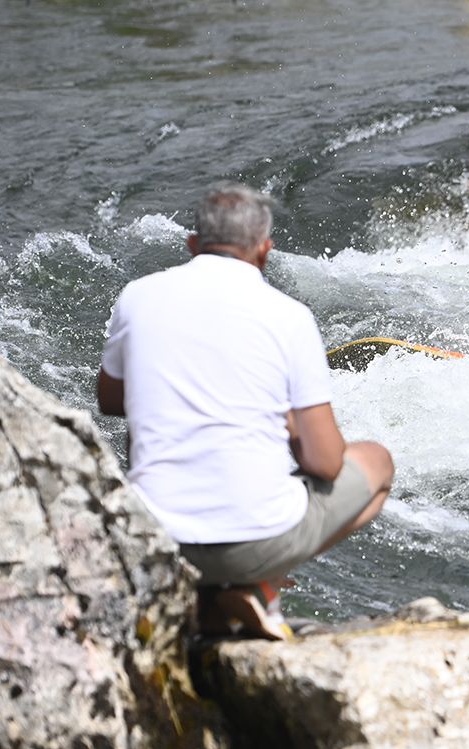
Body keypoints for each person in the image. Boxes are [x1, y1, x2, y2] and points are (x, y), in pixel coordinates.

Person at [97, 181, 393, 641]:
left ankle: (208, 598)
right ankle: (259, 584)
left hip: (154, 537)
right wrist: (289, 423)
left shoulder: (136, 295)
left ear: (193, 245)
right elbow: (325, 462)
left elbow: (111, 400)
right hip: (252, 541)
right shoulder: (288, 315)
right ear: (264, 250)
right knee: (376, 462)